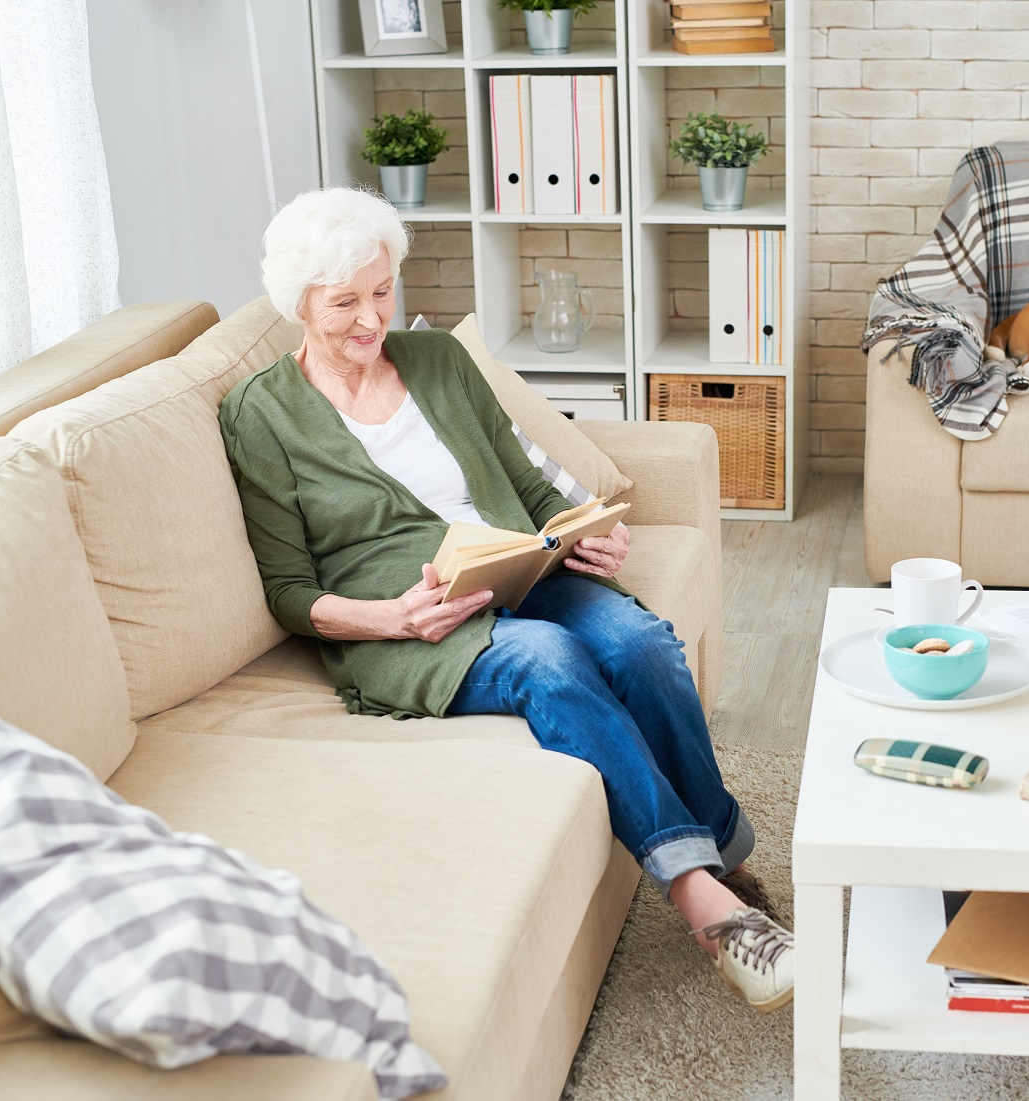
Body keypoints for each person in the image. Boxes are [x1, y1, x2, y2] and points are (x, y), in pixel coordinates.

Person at [219, 188, 794, 1013]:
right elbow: (288, 590)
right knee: (549, 660)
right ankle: (709, 903)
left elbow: (528, 486)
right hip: (416, 627)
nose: (370, 318)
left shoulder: (438, 363)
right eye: (344, 302)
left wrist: (581, 529)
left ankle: (724, 853)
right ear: (297, 302)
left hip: (519, 570)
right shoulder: (259, 415)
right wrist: (391, 617)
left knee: (640, 644)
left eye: (382, 292)